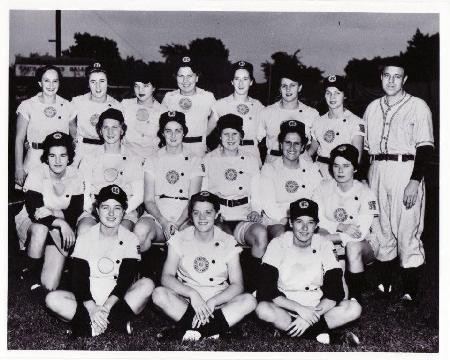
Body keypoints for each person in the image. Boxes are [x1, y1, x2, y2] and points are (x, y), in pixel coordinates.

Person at [363, 59, 434, 302]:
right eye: (387, 76)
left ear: (404, 80)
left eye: (397, 76)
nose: (391, 80)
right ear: (381, 78)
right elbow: (365, 150)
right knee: (381, 226)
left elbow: (425, 148)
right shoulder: (372, 107)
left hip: (405, 169)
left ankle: (409, 289)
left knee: (406, 227)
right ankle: (385, 284)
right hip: (377, 169)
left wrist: (415, 181)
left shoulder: (418, 106)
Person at [45, 185, 154, 337]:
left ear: (124, 212)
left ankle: (88, 326)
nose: (111, 213)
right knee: (52, 299)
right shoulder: (85, 237)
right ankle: (117, 323)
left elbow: (125, 280)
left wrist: (106, 307)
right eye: (105, 207)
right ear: (97, 210)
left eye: (117, 208)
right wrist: (92, 307)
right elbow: (78, 278)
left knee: (148, 285)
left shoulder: (131, 239)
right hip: (87, 299)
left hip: (116, 301)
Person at [151, 191, 257, 341]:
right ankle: (216, 330)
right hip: (187, 303)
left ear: (217, 214)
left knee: (249, 301)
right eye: (196, 213)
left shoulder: (228, 241)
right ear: (190, 215)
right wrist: (192, 294)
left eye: (208, 212)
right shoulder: (179, 239)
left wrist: (213, 301)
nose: (202, 218)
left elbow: (237, 285)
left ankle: (186, 330)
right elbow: (166, 277)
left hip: (218, 304)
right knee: (158, 294)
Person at [255, 198, 361, 345]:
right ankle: (328, 336)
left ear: (316, 225)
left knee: (354, 308)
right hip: (285, 307)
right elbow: (266, 289)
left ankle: (290, 330)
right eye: (299, 221)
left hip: (317, 307)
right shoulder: (278, 244)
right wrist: (300, 309)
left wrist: (310, 315)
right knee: (263, 309)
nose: (304, 228)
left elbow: (335, 290)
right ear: (291, 223)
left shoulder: (324, 244)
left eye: (310, 222)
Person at [202, 114, 267, 289]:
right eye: (226, 134)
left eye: (235, 134)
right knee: (223, 241)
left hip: (242, 215)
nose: (230, 139)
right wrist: (212, 214)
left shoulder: (251, 160)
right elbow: (204, 193)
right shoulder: (209, 160)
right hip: (219, 216)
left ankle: (253, 288)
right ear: (219, 137)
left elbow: (256, 192)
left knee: (261, 234)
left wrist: (256, 210)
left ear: (242, 136)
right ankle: (218, 286)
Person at [313, 144, 383, 303]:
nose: (340, 171)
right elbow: (317, 218)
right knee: (321, 233)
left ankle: (355, 298)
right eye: (336, 166)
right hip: (333, 235)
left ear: (355, 169)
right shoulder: (322, 188)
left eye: (346, 166)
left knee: (352, 246)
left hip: (364, 244)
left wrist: (330, 238)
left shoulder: (366, 192)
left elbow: (361, 232)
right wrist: (340, 227)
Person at [15, 132, 84, 291]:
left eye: (63, 155)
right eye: (52, 155)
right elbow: (35, 212)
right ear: (46, 157)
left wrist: (54, 212)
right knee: (40, 229)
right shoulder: (37, 172)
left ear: (69, 156)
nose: (58, 161)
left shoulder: (76, 175)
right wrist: (60, 221)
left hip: (59, 225)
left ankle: (47, 265)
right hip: (33, 224)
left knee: (50, 285)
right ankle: (30, 274)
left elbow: (75, 211)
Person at [133, 111, 204, 264]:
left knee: (191, 240)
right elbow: (149, 200)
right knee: (140, 232)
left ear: (184, 132)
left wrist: (177, 224)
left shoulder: (195, 160)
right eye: (168, 131)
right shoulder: (152, 159)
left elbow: (194, 201)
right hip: (158, 216)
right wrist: (164, 222)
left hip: (185, 217)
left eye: (177, 130)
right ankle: (144, 275)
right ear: (162, 133)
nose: (173, 135)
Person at [78, 108, 143, 235]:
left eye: (115, 127)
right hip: (94, 209)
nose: (110, 132)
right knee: (85, 230)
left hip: (125, 211)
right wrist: (95, 210)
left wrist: (120, 211)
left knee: (120, 233)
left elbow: (139, 194)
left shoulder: (133, 158)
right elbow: (83, 192)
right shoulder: (89, 158)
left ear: (122, 130)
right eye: (105, 127)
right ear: (100, 131)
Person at [260, 120, 322, 240]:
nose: (292, 148)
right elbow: (268, 204)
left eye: (297, 143)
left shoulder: (312, 168)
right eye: (288, 142)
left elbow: (318, 198)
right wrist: (289, 220)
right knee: (284, 237)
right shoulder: (269, 169)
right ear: (281, 145)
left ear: (303, 146)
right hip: (278, 219)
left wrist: (305, 221)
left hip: (307, 219)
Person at [15, 65, 74, 188]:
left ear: (59, 83)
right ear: (40, 83)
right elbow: (19, 139)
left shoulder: (68, 106)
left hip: (59, 161)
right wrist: (19, 168)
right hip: (34, 159)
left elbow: (74, 138)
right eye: (46, 80)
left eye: (55, 81)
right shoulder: (27, 105)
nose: (51, 85)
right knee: (33, 203)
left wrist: (73, 165)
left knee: (58, 203)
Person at [257, 65, 319, 164]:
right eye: (284, 86)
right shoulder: (267, 112)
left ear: (299, 88)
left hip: (300, 163)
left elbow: (317, 139)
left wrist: (307, 155)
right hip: (273, 162)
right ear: (280, 89)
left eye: (292, 85)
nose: (288, 89)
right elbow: (255, 139)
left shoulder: (311, 113)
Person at [308, 75, 365, 179]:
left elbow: (357, 159)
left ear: (345, 95)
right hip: (317, 172)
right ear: (324, 95)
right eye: (328, 93)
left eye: (337, 93)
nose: (332, 97)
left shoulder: (355, 122)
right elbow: (312, 150)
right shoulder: (318, 121)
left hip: (341, 172)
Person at [208, 60, 264, 162]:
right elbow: (205, 132)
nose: (241, 83)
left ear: (251, 82)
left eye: (245, 79)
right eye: (237, 79)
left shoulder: (258, 106)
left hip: (251, 155)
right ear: (232, 81)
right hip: (226, 154)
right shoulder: (220, 104)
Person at [162, 56, 215, 157]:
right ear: (176, 78)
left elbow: (218, 116)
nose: (185, 80)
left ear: (197, 77)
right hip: (173, 148)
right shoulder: (169, 97)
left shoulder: (207, 97)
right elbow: (160, 122)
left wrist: (205, 134)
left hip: (198, 148)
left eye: (190, 76)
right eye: (181, 76)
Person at [70, 62, 120, 166]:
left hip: (106, 149)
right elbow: (69, 122)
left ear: (108, 82)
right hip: (82, 150)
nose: (98, 86)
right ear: (88, 84)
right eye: (93, 81)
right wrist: (75, 138)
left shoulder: (117, 105)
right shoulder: (77, 101)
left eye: (102, 81)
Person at [121, 70, 167, 163]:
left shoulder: (163, 111)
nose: (140, 90)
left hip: (152, 161)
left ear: (154, 87)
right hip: (127, 159)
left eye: (146, 86)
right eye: (136, 86)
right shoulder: (124, 105)